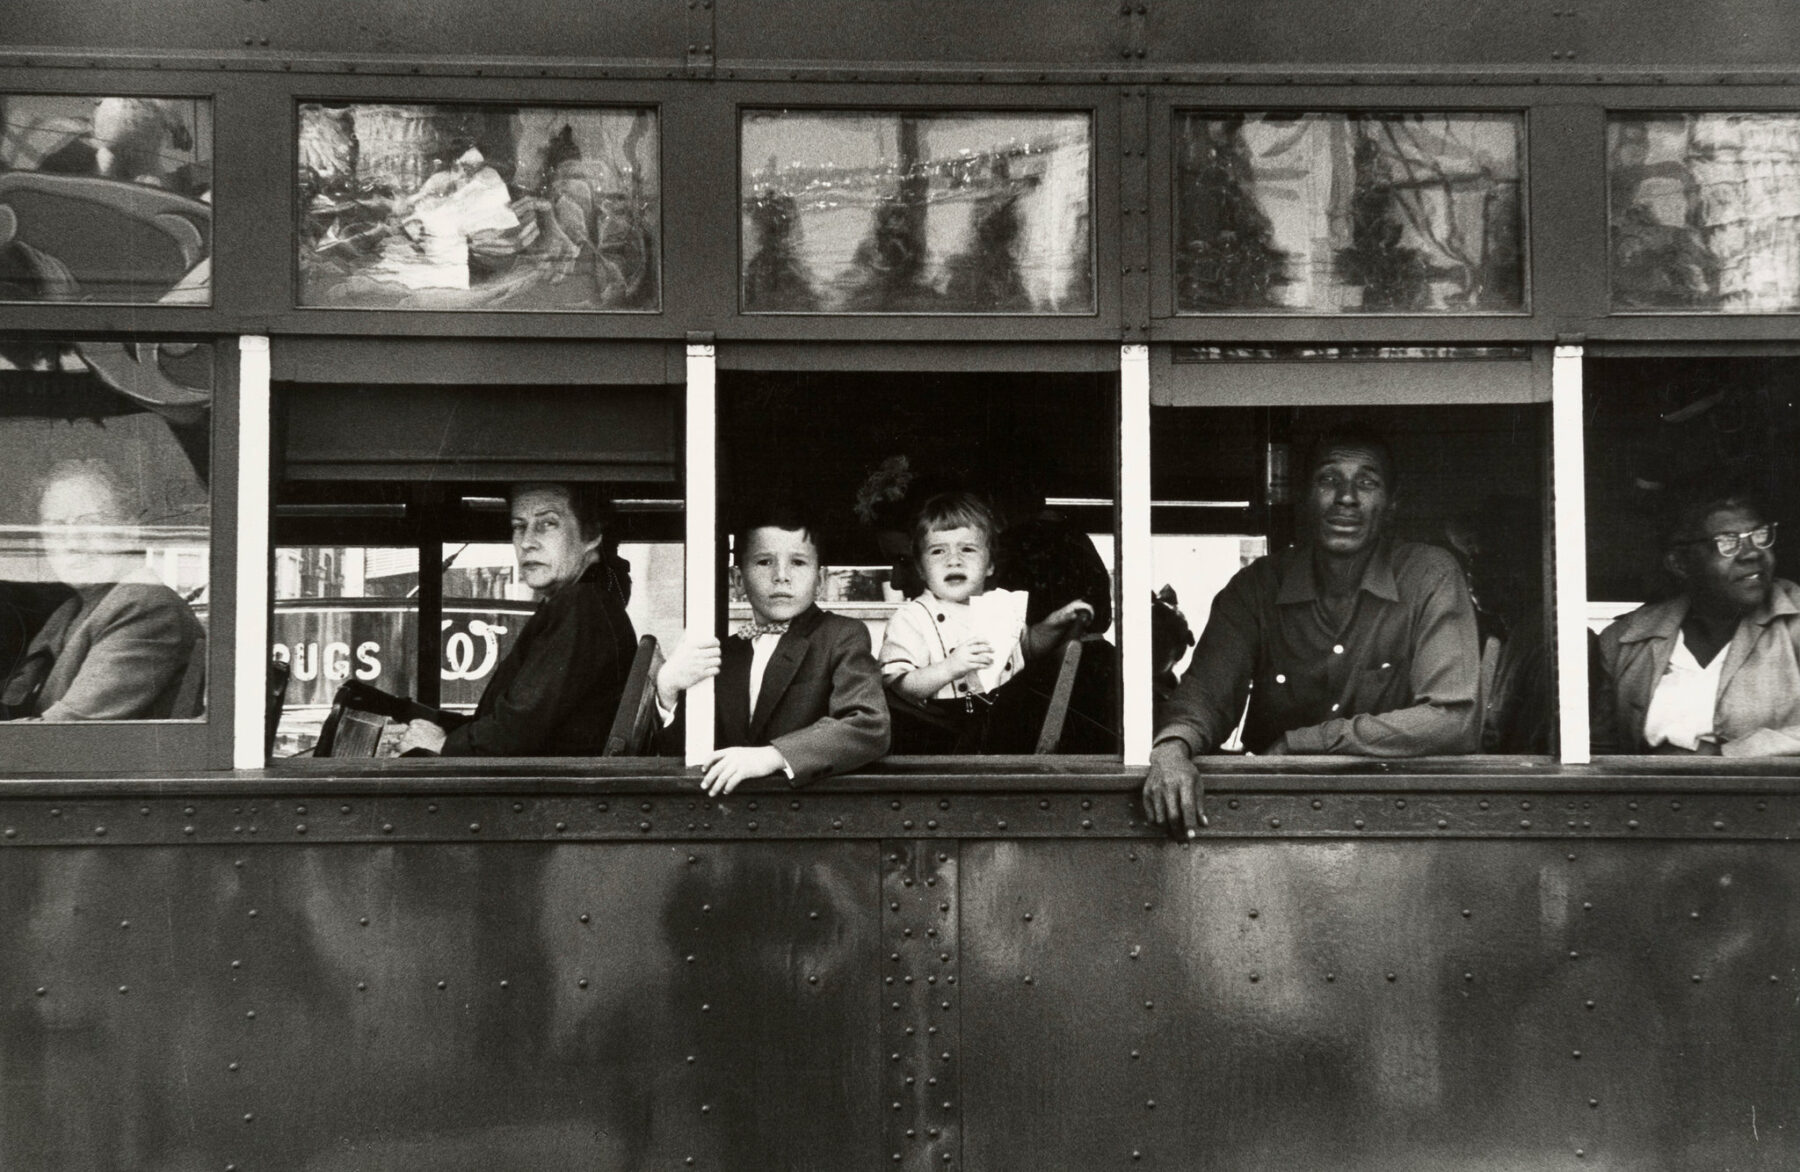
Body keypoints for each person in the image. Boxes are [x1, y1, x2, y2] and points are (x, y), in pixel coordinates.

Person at [1144, 426, 1481, 836]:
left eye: (1367, 482)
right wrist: (1172, 749)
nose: (1346, 498)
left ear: (1392, 503)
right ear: (1305, 496)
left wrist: (1302, 744)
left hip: (1399, 820)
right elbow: (1205, 694)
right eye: (1328, 479)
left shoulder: (1429, 577)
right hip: (1274, 820)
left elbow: (1452, 719)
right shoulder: (1257, 587)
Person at [655, 506, 890, 794]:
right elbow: (680, 755)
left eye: (798, 562)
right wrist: (667, 691)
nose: (781, 576)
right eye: (765, 562)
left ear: (820, 579)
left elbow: (868, 725)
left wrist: (772, 756)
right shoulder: (723, 653)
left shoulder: (841, 635)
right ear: (738, 580)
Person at [395, 482, 637, 756]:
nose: (526, 543)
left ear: (591, 534)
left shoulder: (581, 605)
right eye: (519, 526)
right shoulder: (585, 602)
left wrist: (441, 744)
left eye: (547, 524)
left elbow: (517, 729)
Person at [879, 491, 1094, 752]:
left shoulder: (1000, 605)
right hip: (942, 731)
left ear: (990, 564)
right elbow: (900, 686)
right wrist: (950, 667)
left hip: (1001, 723)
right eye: (938, 551)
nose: (953, 559)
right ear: (921, 569)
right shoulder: (912, 617)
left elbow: (1027, 648)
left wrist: (1057, 621)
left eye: (967, 549)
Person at [1592, 491, 1799, 756]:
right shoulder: (1627, 639)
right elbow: (1599, 751)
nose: (1752, 554)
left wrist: (1742, 751)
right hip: (1654, 797)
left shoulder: (1793, 623)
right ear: (1680, 564)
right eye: (1727, 542)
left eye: (1760, 535)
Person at [1, 459, 205, 720]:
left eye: (91, 523)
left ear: (129, 532)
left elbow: (66, 730)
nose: (72, 542)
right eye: (56, 527)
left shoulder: (145, 605)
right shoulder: (69, 611)